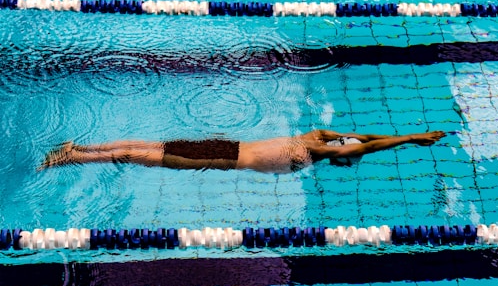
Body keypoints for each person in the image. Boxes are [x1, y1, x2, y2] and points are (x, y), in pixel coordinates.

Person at [39, 130, 446, 173]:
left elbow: (362, 139)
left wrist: (411, 133)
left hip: (226, 144)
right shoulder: (313, 155)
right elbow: (369, 146)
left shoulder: (314, 136)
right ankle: (72, 158)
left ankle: (77, 147)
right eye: (346, 159)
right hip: (224, 158)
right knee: (143, 156)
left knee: (150, 145)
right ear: (337, 155)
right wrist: (411, 139)